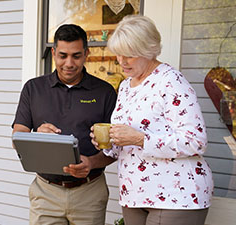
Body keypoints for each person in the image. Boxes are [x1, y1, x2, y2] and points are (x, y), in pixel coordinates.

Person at [66, 15, 214, 225]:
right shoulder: (126, 86)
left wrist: (140, 139)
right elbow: (125, 144)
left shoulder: (171, 81)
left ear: (148, 50)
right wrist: (108, 143)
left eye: (129, 55)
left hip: (176, 195)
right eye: (118, 54)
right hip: (135, 194)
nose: (121, 61)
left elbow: (196, 141)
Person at [12, 24, 117, 224]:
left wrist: (92, 163)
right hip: (45, 192)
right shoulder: (33, 89)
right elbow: (17, 137)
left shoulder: (105, 93)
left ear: (86, 53)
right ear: (53, 53)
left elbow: (116, 148)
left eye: (76, 56)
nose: (69, 63)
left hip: (90, 192)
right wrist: (36, 136)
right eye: (62, 55)